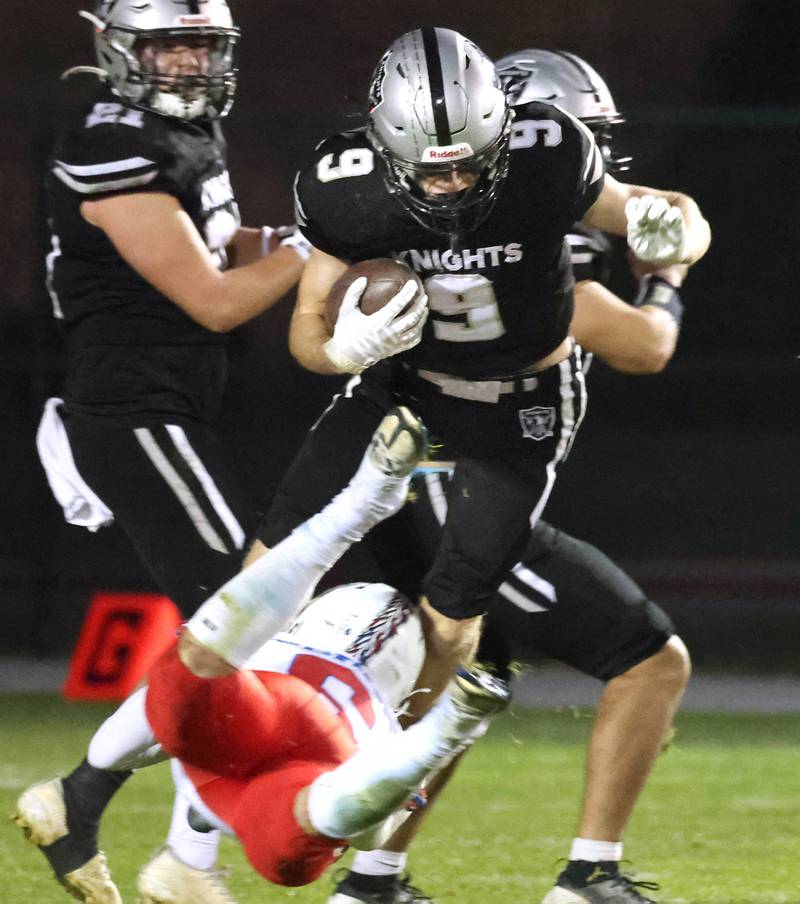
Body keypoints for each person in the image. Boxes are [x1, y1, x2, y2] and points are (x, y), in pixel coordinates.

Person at [251, 27, 709, 731]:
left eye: (471, 163)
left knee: (453, 617)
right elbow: (306, 333)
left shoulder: (546, 156)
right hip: (405, 386)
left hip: (519, 406)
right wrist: (345, 352)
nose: (452, 184)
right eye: (431, 170)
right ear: (384, 145)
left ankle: (386, 768)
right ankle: (223, 736)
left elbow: (673, 215)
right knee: (270, 560)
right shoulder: (344, 187)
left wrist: (675, 237)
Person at [327, 49, 692, 904]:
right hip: (461, 485)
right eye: (579, 138)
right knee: (650, 661)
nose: (590, 161)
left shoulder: (461, 216)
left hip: (420, 475)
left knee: (468, 680)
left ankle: (372, 882)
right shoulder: (531, 239)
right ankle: (588, 876)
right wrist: (667, 274)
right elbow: (644, 345)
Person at [28, 0, 308, 898]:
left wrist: (302, 238)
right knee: (251, 621)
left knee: (229, 629)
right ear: (119, 50)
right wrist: (314, 250)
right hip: (134, 411)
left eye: (200, 45)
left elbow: (226, 248)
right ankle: (185, 858)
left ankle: (82, 801)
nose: (188, 62)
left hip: (171, 409)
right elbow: (216, 300)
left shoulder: (183, 137)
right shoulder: (112, 146)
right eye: (167, 46)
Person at [16, 408, 511, 902]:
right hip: (296, 737)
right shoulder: (362, 739)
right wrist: (445, 731)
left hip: (249, 728)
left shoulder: (243, 715)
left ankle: (122, 820)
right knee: (308, 832)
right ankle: (179, 855)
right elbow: (369, 820)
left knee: (193, 667)